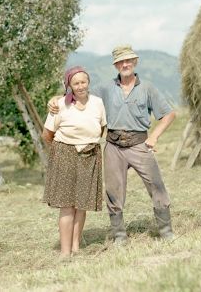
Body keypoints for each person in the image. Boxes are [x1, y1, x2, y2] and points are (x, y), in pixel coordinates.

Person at [48, 45, 176, 243]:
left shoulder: (147, 88)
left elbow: (169, 114)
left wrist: (154, 136)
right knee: (113, 191)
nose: (125, 64)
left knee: (156, 186)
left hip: (140, 144)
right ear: (116, 65)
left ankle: (166, 231)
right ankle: (119, 235)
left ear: (135, 62)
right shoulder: (104, 89)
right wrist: (55, 98)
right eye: (121, 61)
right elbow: (80, 93)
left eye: (129, 60)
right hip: (113, 146)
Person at [42, 66, 106, 257]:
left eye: (83, 82)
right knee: (67, 205)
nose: (80, 86)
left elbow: (102, 128)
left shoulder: (97, 103)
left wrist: (87, 142)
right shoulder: (60, 104)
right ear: (69, 85)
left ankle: (76, 246)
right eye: (76, 83)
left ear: (88, 83)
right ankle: (64, 252)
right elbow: (47, 134)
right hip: (65, 155)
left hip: (90, 154)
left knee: (81, 204)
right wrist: (65, 149)